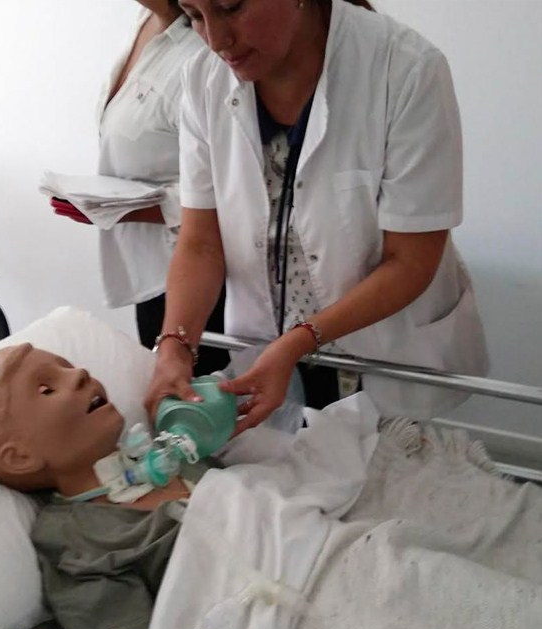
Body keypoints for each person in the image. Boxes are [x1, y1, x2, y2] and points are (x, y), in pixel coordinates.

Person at [144, 0, 488, 431]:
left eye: (231, 7)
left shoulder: (405, 68)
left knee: (387, 463)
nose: (216, 40)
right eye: (194, 15)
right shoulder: (202, 80)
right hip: (267, 346)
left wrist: (297, 342)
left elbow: (411, 260)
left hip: (385, 356)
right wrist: (174, 346)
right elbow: (200, 244)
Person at [0, 343, 217, 629]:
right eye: (46, 388)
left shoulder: (177, 452)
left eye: (68, 366)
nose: (79, 374)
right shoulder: (76, 541)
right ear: (19, 458)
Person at [49, 0, 229, 374]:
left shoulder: (211, 50)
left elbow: (239, 184)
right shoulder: (146, 19)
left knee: (206, 389)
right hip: (148, 266)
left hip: (208, 270)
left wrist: (128, 209)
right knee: (164, 378)